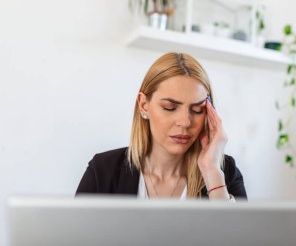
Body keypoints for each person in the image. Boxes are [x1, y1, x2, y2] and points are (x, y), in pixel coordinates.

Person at [76, 52, 247, 201]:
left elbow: (242, 238)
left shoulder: (225, 172)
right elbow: (74, 237)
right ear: (144, 105)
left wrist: (212, 173)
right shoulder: (103, 170)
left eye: (197, 110)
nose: (185, 122)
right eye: (169, 108)